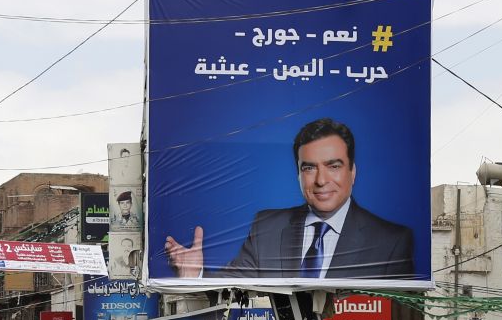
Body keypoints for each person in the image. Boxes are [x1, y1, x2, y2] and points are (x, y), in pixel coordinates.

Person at [164, 118, 416, 280]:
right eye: (309, 168)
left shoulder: (391, 241)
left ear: (353, 172)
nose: (320, 180)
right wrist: (193, 273)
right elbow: (233, 286)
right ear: (298, 174)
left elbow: (396, 316)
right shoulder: (267, 226)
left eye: (333, 166)